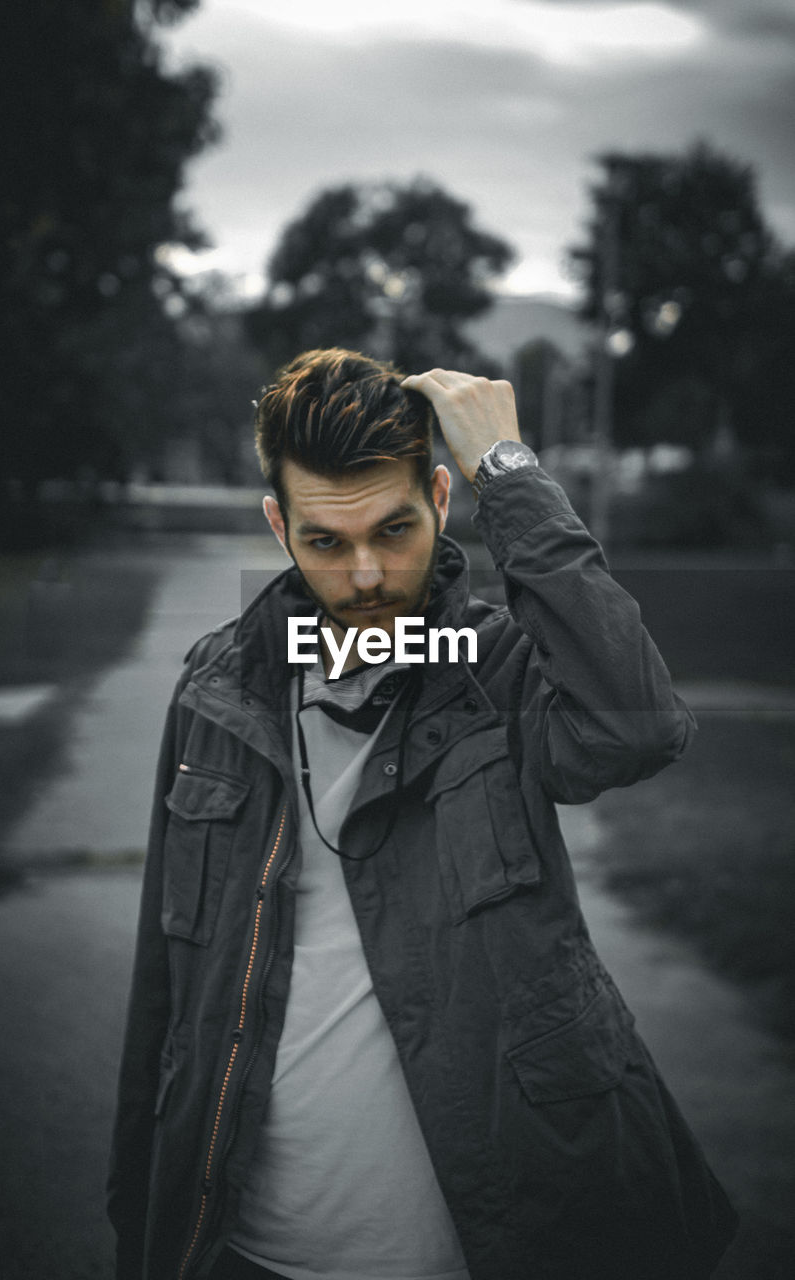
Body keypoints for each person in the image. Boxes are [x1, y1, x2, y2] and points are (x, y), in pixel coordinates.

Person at [107, 349, 737, 1280]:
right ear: (278, 525)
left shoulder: (498, 670)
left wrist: (512, 477)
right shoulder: (216, 687)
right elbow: (166, 988)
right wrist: (140, 1216)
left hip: (488, 1247)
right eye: (325, 541)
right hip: (243, 1248)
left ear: (441, 499)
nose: (365, 576)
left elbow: (635, 727)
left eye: (394, 529)